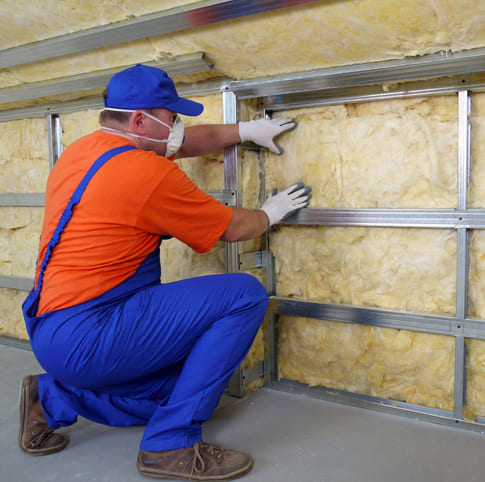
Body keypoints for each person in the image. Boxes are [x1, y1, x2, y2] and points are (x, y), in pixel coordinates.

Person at [19, 64, 311, 481]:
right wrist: (270, 212)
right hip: (91, 331)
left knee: (183, 389)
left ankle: (50, 398)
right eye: (172, 119)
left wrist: (244, 131)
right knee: (244, 294)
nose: (178, 129)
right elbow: (233, 228)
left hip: (52, 330)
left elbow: (186, 143)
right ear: (141, 119)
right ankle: (170, 446)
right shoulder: (147, 173)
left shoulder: (85, 152)